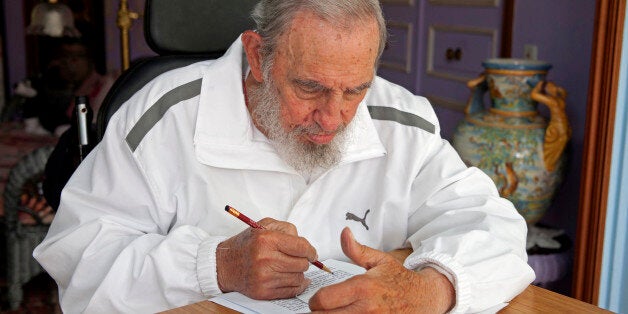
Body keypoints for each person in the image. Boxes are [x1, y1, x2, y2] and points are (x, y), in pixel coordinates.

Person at [34, 1, 535, 312]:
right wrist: (215, 265)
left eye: (355, 89)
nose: (334, 117)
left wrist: (427, 292)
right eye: (310, 87)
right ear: (257, 56)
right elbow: (79, 263)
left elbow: (494, 228)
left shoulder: (399, 116)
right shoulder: (164, 113)